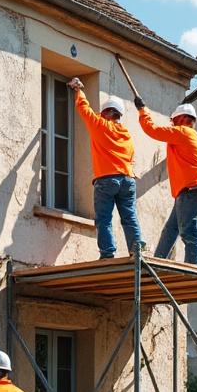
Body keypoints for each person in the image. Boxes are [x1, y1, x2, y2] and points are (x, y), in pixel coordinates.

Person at [67, 77, 146, 260]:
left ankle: (107, 253)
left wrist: (78, 90)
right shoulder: (126, 135)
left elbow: (84, 109)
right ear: (119, 114)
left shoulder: (100, 125)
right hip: (127, 179)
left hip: (106, 179)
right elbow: (131, 158)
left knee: (104, 219)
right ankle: (137, 252)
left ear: (105, 113)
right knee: (129, 217)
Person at [137, 99, 197, 264]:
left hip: (192, 190)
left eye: (173, 121)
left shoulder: (183, 132)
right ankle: (158, 262)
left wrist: (143, 111)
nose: (172, 125)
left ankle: (192, 269)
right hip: (194, 190)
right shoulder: (192, 136)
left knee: (189, 232)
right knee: (171, 230)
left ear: (181, 119)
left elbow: (152, 130)